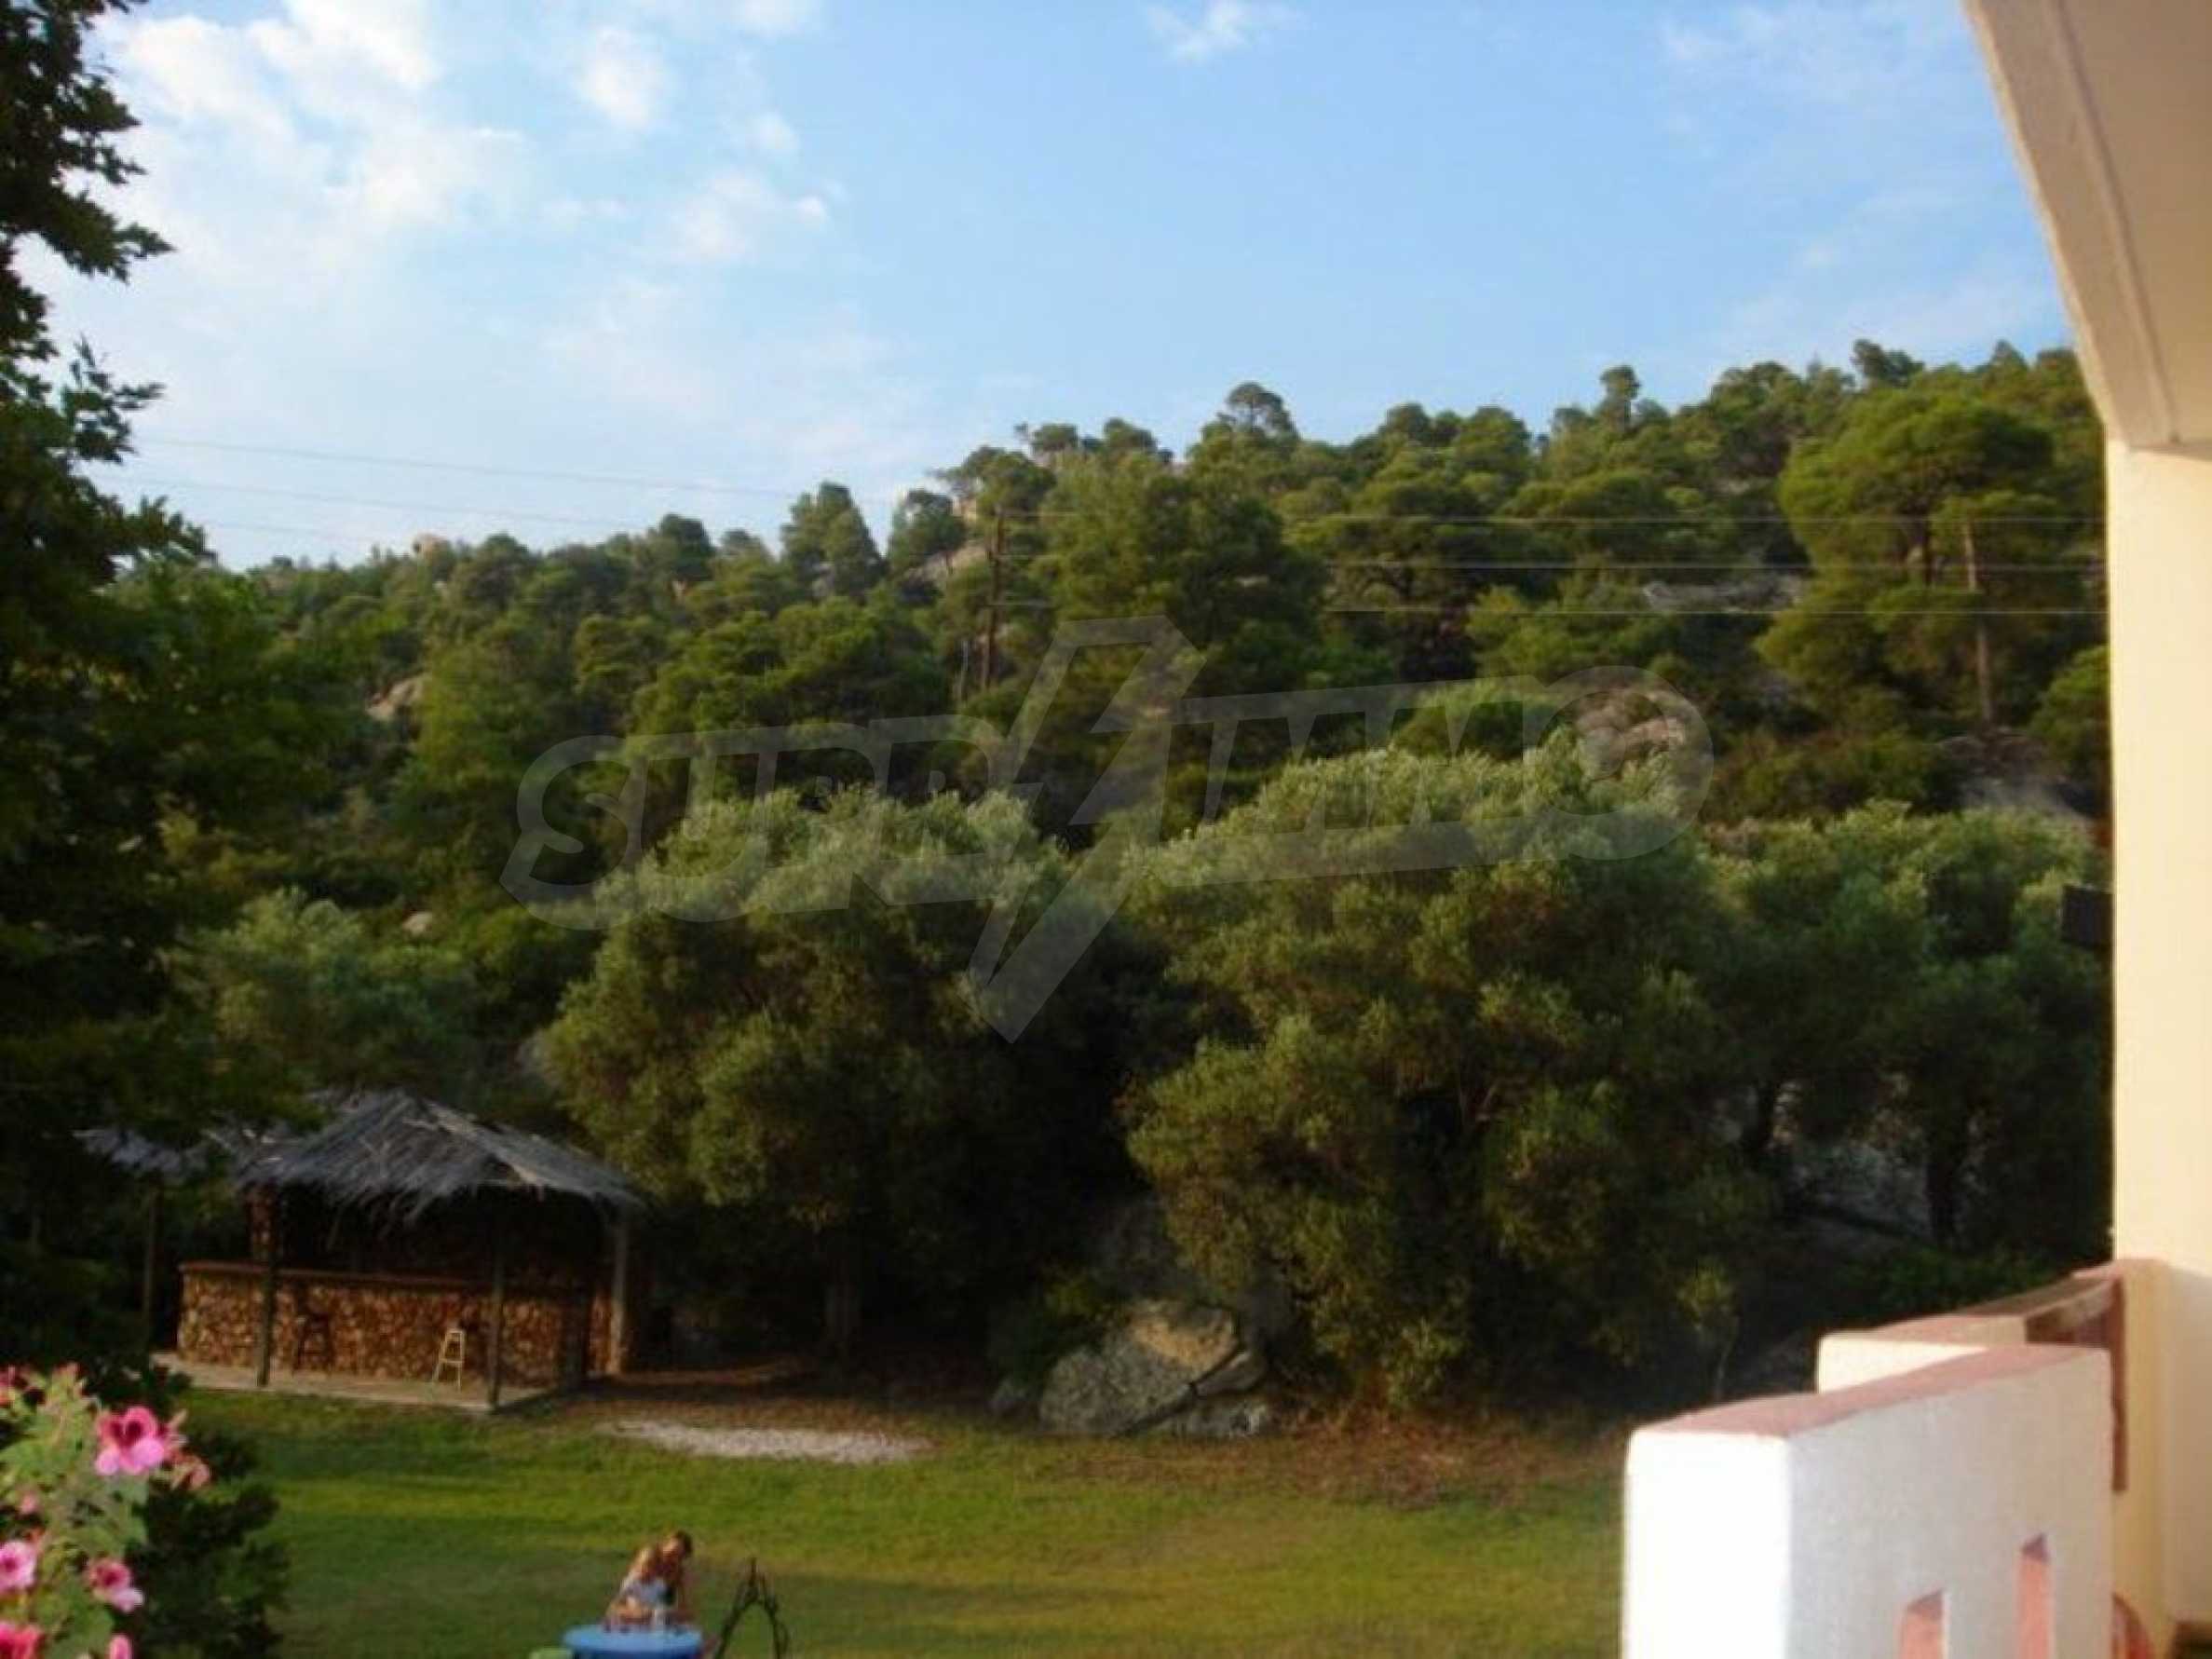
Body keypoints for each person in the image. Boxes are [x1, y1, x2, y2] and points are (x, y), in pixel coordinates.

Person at [605, 1530, 696, 1630]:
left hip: (660, 1613)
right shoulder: (646, 1560)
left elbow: (686, 1611)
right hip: (636, 1610)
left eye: (679, 1557)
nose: (673, 1558)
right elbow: (623, 1601)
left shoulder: (677, 1573)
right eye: (672, 1552)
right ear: (665, 1546)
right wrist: (637, 1611)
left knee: (685, 1623)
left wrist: (671, 1613)